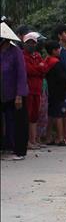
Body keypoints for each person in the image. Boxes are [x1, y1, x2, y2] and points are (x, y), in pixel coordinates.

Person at [1, 22, 29, 160]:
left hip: (15, 93)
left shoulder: (16, 52)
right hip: (2, 92)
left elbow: (21, 74)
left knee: (17, 122)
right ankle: (4, 147)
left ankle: (19, 151)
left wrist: (19, 95)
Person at [22, 31, 48, 149]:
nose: (31, 45)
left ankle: (33, 140)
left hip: (38, 89)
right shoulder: (23, 55)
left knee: (34, 116)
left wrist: (38, 69)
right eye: (28, 43)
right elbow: (28, 70)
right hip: (28, 90)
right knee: (27, 115)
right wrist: (39, 68)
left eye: (33, 43)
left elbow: (44, 69)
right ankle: (27, 141)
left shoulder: (37, 55)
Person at [43, 40, 66, 146]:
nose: (59, 50)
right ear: (53, 51)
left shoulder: (47, 61)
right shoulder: (57, 63)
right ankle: (60, 138)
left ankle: (48, 137)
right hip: (59, 93)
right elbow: (63, 79)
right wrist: (65, 91)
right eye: (57, 49)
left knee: (51, 115)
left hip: (50, 92)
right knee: (59, 115)